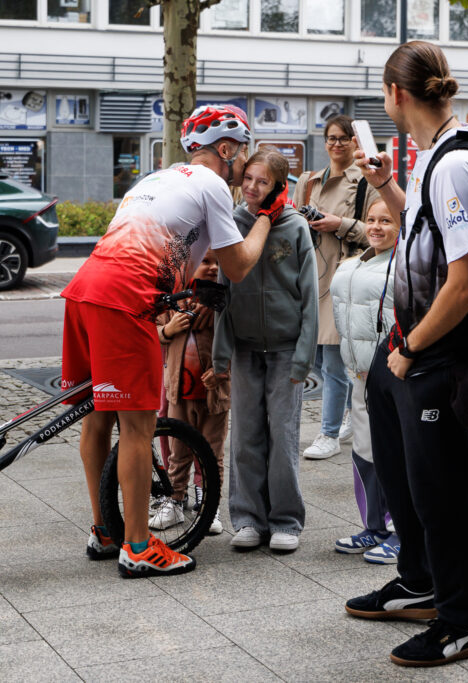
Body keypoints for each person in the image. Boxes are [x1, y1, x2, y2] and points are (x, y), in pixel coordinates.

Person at [62, 104, 289, 578]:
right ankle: (138, 547)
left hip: (85, 289)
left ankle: (105, 531)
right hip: (125, 300)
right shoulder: (211, 184)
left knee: (97, 418)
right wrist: (266, 216)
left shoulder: (153, 180)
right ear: (224, 149)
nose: (243, 164)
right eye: (241, 153)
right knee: (139, 427)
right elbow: (238, 266)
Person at [346, 41, 468, 667]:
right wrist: (385, 185)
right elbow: (424, 231)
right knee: (402, 471)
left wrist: (411, 348)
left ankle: (461, 621)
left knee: (442, 491)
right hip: (408, 340)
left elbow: (467, 281)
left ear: (396, 94)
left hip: (439, 351)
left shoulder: (456, 163)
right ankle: (418, 582)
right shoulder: (430, 155)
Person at [211, 148, 318, 553]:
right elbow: (223, 292)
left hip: (286, 350)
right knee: (245, 436)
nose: (253, 187)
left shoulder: (295, 227)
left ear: (278, 186)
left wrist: (304, 356)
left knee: (283, 435)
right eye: (249, 179)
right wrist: (220, 355)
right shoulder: (232, 223)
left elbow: (309, 296)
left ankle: (286, 520)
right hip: (244, 350)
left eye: (264, 182)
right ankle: (248, 518)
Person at [295, 115, 379, 460]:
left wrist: (339, 223)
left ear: (355, 142)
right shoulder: (309, 180)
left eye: (344, 138)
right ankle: (347, 413)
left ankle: (328, 433)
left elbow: (378, 230)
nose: (337, 144)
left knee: (331, 360)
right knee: (314, 357)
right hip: (308, 277)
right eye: (331, 137)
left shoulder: (367, 182)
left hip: (343, 278)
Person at [329, 198, 399, 564]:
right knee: (365, 451)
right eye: (371, 219)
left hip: (395, 377)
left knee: (397, 455)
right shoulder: (353, 264)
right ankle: (374, 526)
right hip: (361, 374)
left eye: (386, 220)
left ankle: (403, 531)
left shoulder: (405, 266)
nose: (376, 227)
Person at [150, 250, 230, 536]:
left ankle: (209, 503)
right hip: (179, 393)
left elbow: (235, 341)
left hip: (213, 394)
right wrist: (168, 330)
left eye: (218, 263)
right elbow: (151, 332)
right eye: (205, 261)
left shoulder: (223, 303)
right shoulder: (172, 303)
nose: (213, 268)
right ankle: (174, 499)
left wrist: (223, 370)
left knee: (212, 453)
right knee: (178, 452)